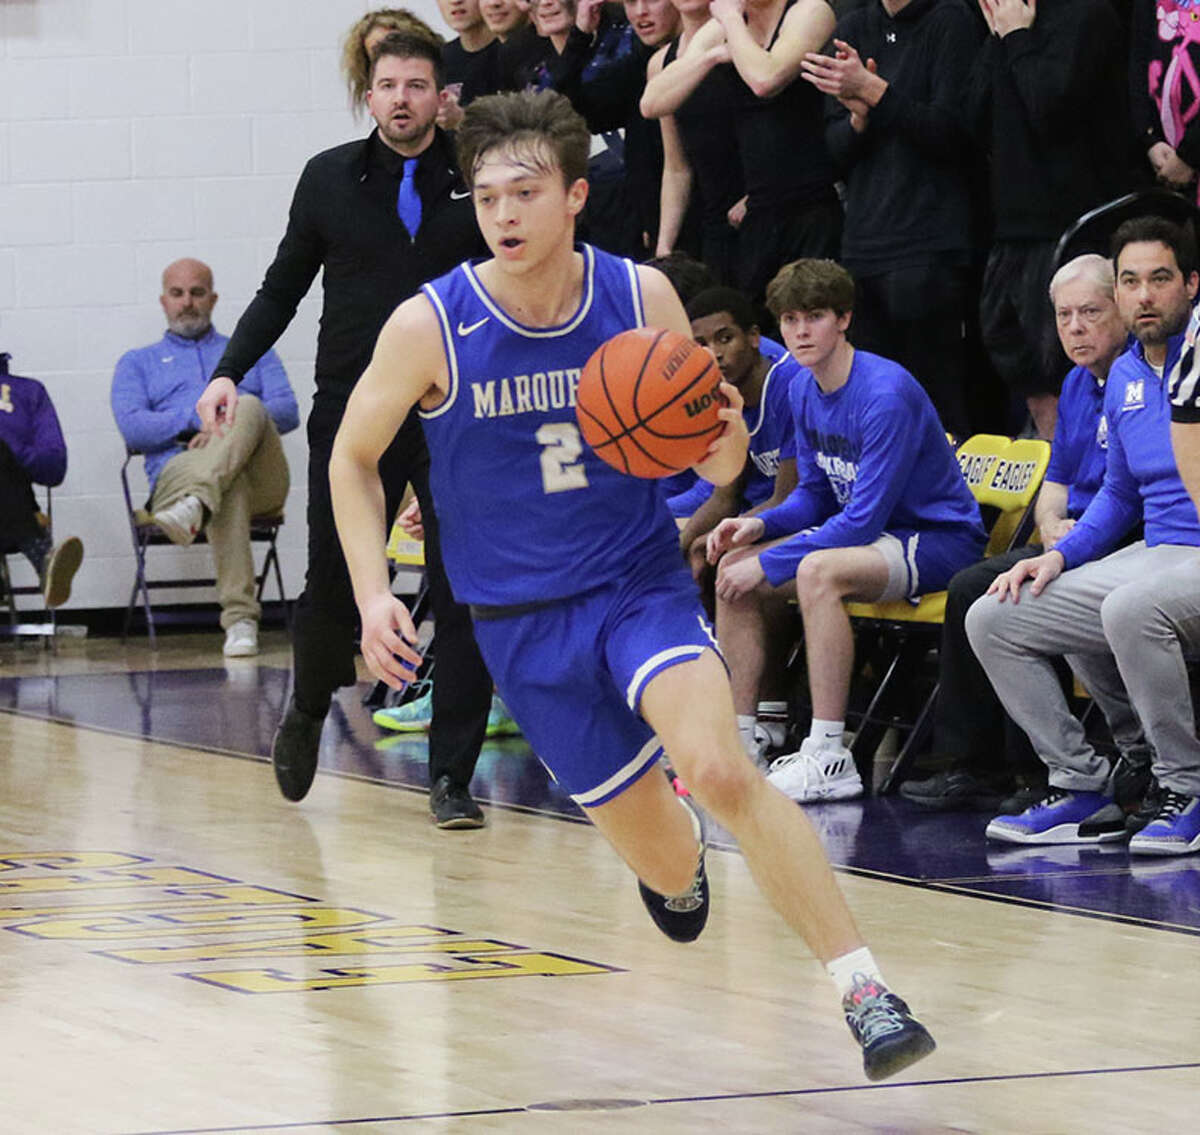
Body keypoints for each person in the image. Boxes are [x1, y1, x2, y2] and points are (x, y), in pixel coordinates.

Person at [330, 88, 936, 1081]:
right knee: (663, 854)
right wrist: (370, 591)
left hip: (634, 583)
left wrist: (726, 432)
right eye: (486, 198)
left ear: (575, 194)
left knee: (725, 765)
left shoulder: (638, 297)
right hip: (522, 625)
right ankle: (677, 865)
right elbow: (352, 459)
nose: (505, 215)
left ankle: (864, 988)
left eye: (525, 191)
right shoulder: (430, 324)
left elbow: (713, 453)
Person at [194, 33, 495, 826]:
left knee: (464, 585)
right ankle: (306, 704)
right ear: (369, 96)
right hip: (353, 405)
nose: (402, 98)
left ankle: (450, 776)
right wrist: (228, 369)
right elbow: (282, 285)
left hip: (456, 409)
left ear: (440, 96)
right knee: (333, 574)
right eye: (388, 85)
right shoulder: (327, 176)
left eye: (418, 85)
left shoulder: (475, 174)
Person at [708, 258, 986, 802]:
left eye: (814, 317)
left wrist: (773, 561)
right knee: (732, 568)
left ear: (844, 319)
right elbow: (814, 495)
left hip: (937, 539)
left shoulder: (884, 393)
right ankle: (740, 742)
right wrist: (755, 524)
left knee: (817, 571)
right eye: (790, 320)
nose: (801, 331)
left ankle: (830, 752)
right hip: (871, 537)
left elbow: (862, 520)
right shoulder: (802, 388)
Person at [965, 216, 1200, 853]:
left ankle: (1186, 786)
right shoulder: (1122, 376)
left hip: (1192, 555)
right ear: (1120, 296)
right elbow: (1121, 495)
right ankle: (1081, 781)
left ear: (1191, 285)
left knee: (1127, 606)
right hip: (1161, 552)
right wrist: (1057, 556)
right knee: (996, 615)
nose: (1145, 295)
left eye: (1160, 279)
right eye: (1132, 281)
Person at [899, 254, 1129, 812]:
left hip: (1120, 539)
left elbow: (1128, 498)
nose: (1075, 327)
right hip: (1070, 536)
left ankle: (1034, 767)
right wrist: (1051, 525)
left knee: (1014, 591)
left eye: (1090, 312)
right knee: (971, 585)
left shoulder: (1138, 379)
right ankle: (970, 763)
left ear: (1121, 311)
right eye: (1064, 315)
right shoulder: (1075, 383)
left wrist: (1069, 544)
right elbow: (1059, 476)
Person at [801, 0, 982, 440]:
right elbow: (832, 151)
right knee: (878, 404)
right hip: (864, 246)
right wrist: (859, 120)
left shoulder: (952, 20)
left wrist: (874, 91)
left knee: (939, 402)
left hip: (932, 244)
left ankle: (950, 504)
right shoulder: (852, 27)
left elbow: (955, 135)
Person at [111, 259, 298, 657]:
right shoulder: (137, 362)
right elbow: (133, 428)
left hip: (260, 474)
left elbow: (287, 410)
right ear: (163, 301)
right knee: (226, 489)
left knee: (244, 402)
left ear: (213, 298)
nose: (187, 302)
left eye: (197, 292)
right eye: (177, 293)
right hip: (178, 474)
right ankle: (241, 620)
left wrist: (222, 422)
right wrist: (197, 420)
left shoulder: (250, 350)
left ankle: (197, 503)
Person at [964, 0, 1131, 439]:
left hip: (1073, 221)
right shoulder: (1007, 20)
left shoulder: (1089, 16)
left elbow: (1050, 108)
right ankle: (1059, 466)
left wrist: (1018, 36)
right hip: (1011, 223)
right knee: (1016, 358)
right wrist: (1002, 38)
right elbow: (971, 117)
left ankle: (1096, 473)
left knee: (1075, 358)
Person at [0, 352, 83, 610]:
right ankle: (40, 552)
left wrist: (10, 454)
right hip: (21, 517)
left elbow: (53, 466)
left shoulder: (28, 392)